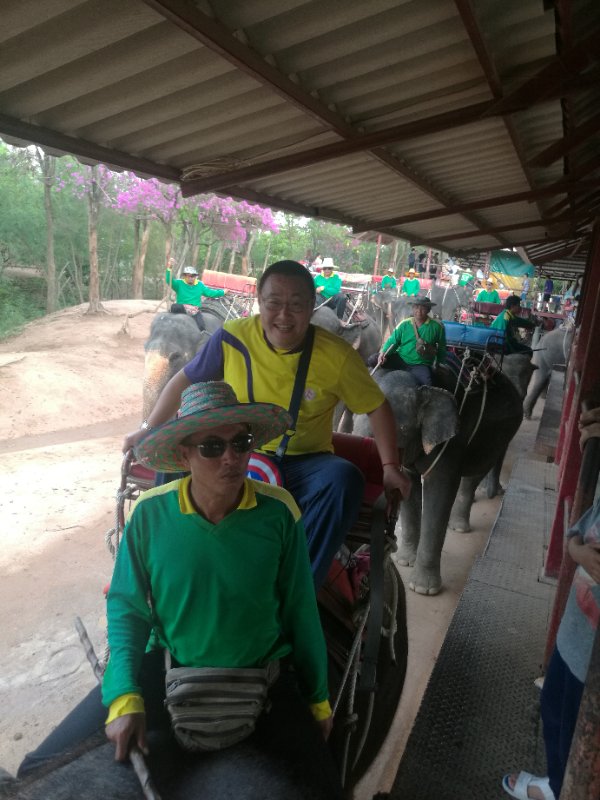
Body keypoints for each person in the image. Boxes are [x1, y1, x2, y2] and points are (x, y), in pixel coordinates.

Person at [20, 383, 345, 798]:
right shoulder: (150, 514)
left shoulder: (279, 513)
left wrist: (318, 700)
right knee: (38, 768)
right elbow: (127, 609)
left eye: (240, 442)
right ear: (184, 455)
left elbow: (301, 611)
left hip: (263, 677)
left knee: (325, 787)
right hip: (165, 667)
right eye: (211, 446)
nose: (230, 457)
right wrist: (123, 694)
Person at [123, 260, 410, 589]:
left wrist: (390, 466)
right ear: (259, 300)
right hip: (234, 450)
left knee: (345, 479)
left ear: (312, 306)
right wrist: (148, 429)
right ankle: (165, 559)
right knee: (178, 449)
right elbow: (184, 379)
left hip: (303, 462)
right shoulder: (232, 337)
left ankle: (296, 586)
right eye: (274, 303)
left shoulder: (338, 355)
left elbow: (376, 407)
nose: (284, 316)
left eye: (296, 305)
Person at [502, 406, 600, 800]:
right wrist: (577, 551)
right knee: (555, 707)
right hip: (575, 635)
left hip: (591, 653)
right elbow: (582, 526)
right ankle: (559, 784)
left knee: (580, 727)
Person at [370, 296, 447, 387]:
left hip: (420, 364)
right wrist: (383, 353)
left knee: (427, 385)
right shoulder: (404, 324)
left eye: (423, 308)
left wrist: (439, 363)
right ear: (412, 308)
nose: (419, 311)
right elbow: (393, 341)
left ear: (428, 310)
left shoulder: (437, 327)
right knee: (373, 359)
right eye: (416, 307)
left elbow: (442, 347)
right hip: (401, 359)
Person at [166, 258, 227, 331]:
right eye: (189, 276)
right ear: (185, 276)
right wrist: (169, 268)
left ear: (195, 276)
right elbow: (169, 280)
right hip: (181, 308)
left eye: (193, 276)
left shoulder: (200, 285)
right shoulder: (179, 283)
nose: (191, 278)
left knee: (201, 327)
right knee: (175, 306)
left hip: (194, 310)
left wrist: (223, 292)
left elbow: (210, 293)